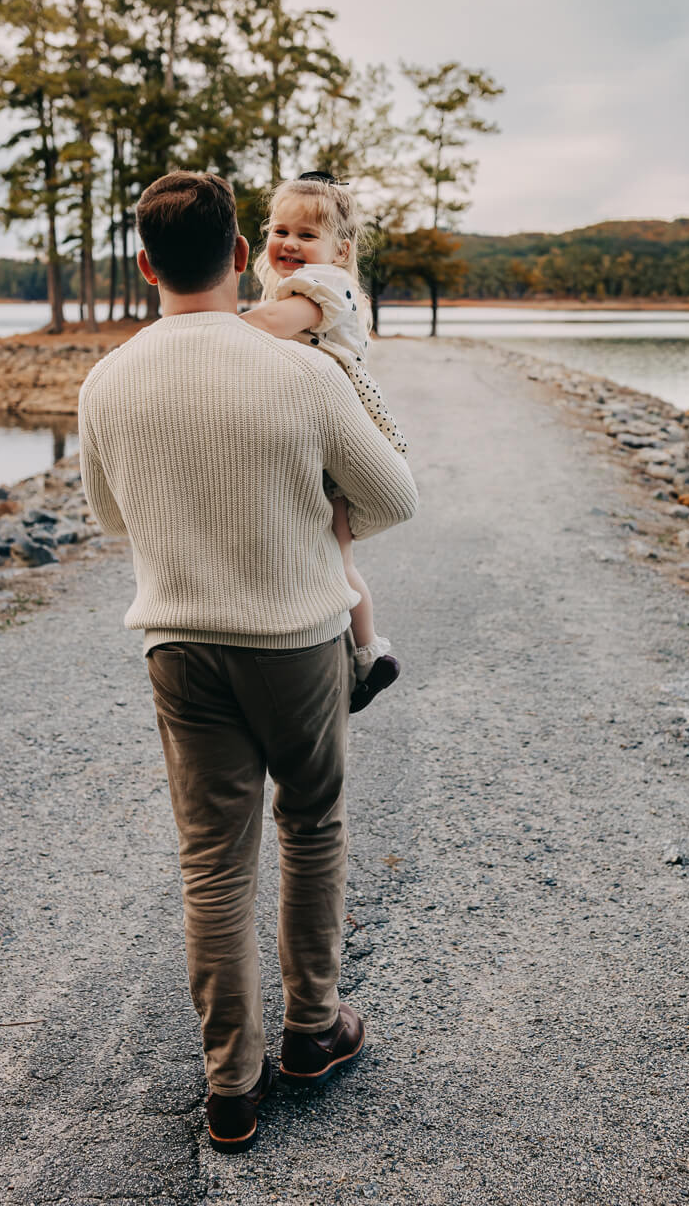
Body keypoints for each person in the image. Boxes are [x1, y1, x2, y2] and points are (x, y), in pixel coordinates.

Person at [77, 170, 418, 1154]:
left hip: (178, 644)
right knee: (310, 825)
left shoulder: (107, 379)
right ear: (239, 257)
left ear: (144, 265)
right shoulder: (305, 374)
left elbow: (112, 517)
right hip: (297, 638)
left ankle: (230, 1083)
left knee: (211, 861)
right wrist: (310, 514)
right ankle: (311, 1032)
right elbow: (393, 496)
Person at [240, 172, 406, 712]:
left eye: (307, 235)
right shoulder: (294, 282)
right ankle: (364, 652)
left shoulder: (325, 287)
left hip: (340, 428)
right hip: (320, 426)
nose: (290, 243)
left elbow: (267, 323)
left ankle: (365, 652)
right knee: (332, 550)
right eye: (281, 229)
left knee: (336, 554)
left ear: (341, 250)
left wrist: (202, 325)